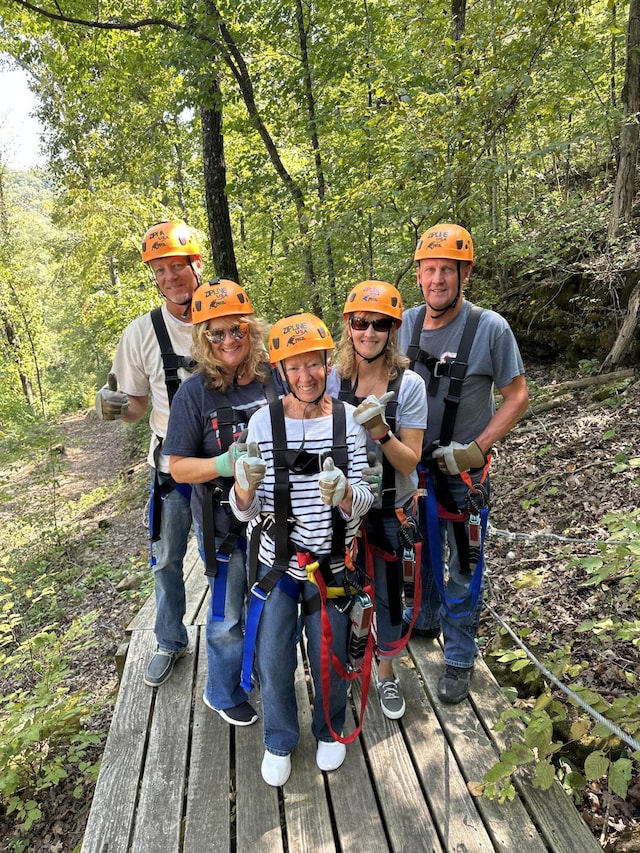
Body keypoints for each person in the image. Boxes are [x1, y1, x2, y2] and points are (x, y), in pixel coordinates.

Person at [229, 313, 374, 787]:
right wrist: (244, 492)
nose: (305, 376)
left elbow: (365, 503)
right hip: (279, 564)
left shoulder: (348, 421)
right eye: (294, 367)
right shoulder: (262, 424)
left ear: (328, 364)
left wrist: (346, 495)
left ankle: (329, 728)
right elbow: (244, 513)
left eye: (314, 365)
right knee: (273, 656)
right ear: (280, 372)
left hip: (330, 566)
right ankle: (279, 739)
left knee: (328, 652)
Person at [398, 222, 529, 704]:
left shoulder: (488, 328)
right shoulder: (403, 324)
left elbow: (517, 396)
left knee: (464, 565)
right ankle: (427, 618)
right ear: (419, 274)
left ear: (464, 274)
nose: (437, 280)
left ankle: (458, 657)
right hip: (414, 466)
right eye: (429, 270)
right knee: (425, 549)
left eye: (447, 271)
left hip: (464, 472)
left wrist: (477, 448)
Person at [163, 279, 280, 726]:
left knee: (271, 606)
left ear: (250, 330)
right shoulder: (195, 393)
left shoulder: (273, 379)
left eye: (237, 330)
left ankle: (266, 675)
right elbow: (177, 466)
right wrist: (223, 465)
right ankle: (222, 689)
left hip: (273, 518)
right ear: (203, 339)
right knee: (228, 614)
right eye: (217, 333)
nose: (229, 340)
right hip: (222, 523)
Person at [95, 220, 202, 687]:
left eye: (178, 265)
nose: (171, 277)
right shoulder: (140, 334)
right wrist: (115, 408)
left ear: (197, 265)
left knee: (233, 559)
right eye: (160, 270)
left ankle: (234, 638)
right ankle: (169, 640)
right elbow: (137, 407)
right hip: (170, 468)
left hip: (224, 465)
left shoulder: (225, 318)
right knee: (166, 559)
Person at [327, 281, 426, 720]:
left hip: (390, 506)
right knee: (344, 586)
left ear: (392, 329)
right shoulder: (333, 378)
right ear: (348, 326)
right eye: (360, 322)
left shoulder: (409, 385)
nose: (369, 332)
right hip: (346, 504)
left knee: (387, 592)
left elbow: (409, 462)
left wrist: (380, 430)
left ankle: (385, 673)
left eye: (380, 324)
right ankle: (350, 661)